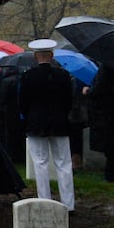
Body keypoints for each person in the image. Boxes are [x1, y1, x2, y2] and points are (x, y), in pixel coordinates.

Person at [19, 38, 76, 211]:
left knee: (40, 163)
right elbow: (69, 101)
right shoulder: (63, 75)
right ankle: (69, 204)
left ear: (36, 56)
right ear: (51, 55)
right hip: (59, 122)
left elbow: (23, 102)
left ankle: (45, 200)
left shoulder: (28, 76)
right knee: (64, 163)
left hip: (36, 123)